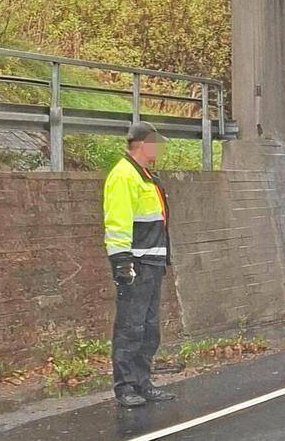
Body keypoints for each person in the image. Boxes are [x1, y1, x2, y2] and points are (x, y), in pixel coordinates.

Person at [104, 122, 176, 407]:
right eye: (156, 143)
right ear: (143, 144)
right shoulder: (124, 176)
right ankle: (125, 387)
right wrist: (122, 263)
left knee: (148, 328)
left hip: (152, 263)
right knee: (130, 327)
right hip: (136, 265)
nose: (160, 148)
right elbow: (117, 223)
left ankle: (143, 382)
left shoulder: (146, 176)